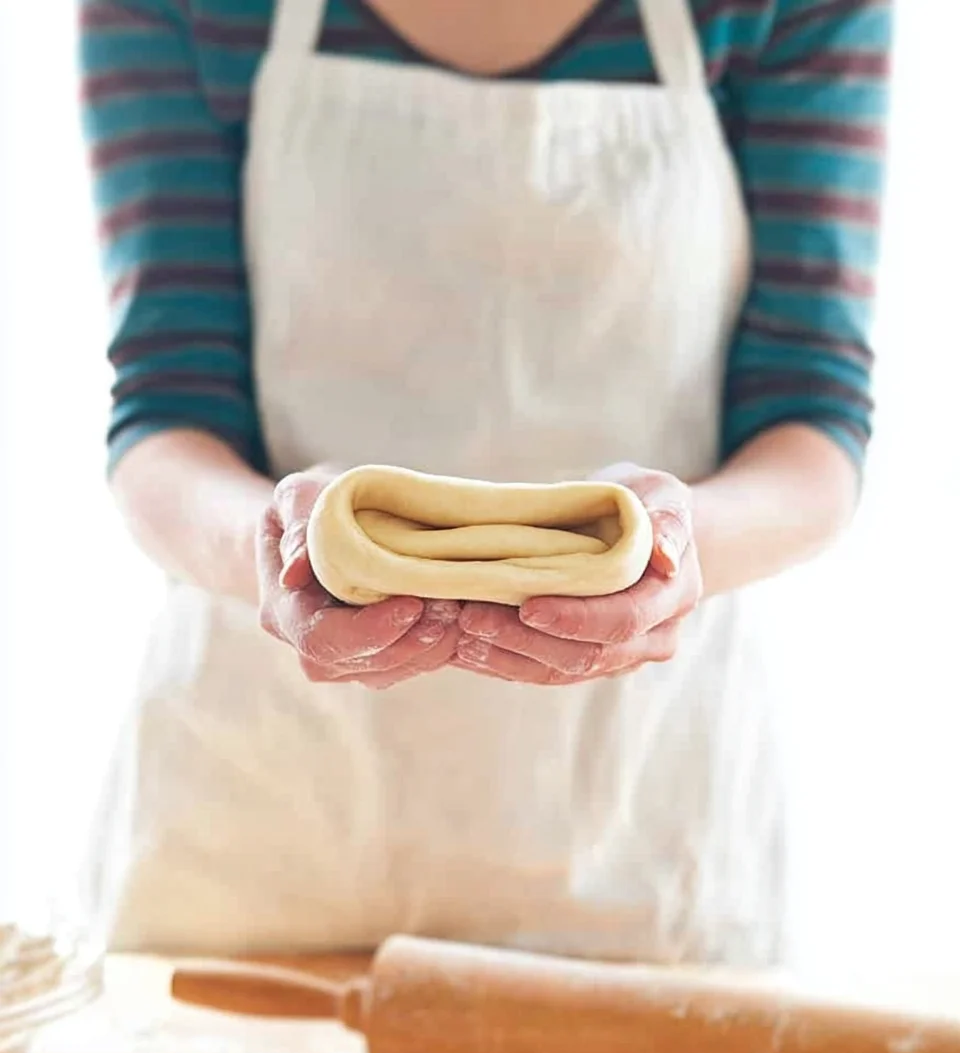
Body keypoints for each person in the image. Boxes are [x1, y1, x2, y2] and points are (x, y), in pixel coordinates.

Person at [78, 0, 891, 963]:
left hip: (639, 842)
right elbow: (167, 408)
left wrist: (682, 547)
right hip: (260, 821)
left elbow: (813, 417)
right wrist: (270, 546)